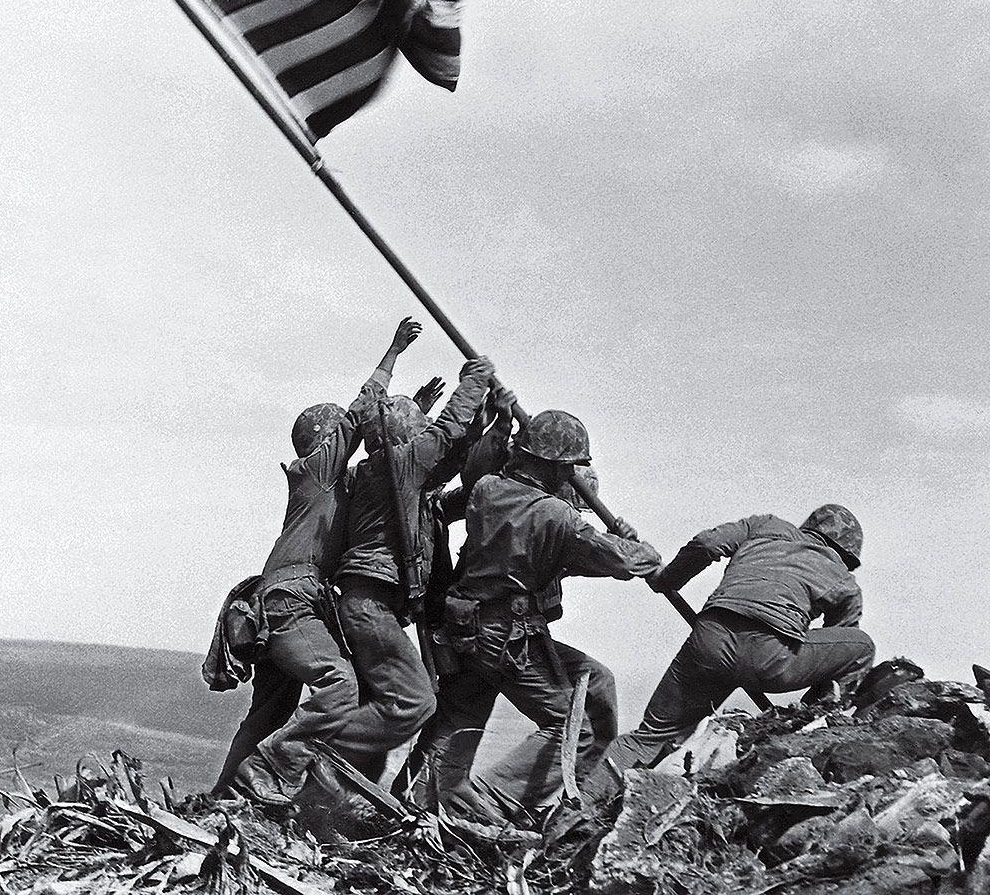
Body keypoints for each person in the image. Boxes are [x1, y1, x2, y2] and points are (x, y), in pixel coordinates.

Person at [214, 318, 434, 802]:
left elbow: (385, 471)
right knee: (339, 686)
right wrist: (393, 353)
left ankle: (223, 800)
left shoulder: (331, 485)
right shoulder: (315, 471)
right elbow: (360, 416)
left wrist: (409, 416)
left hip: (282, 606)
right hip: (290, 603)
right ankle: (274, 773)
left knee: (269, 713)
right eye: (339, 436)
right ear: (325, 439)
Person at [418, 411, 662, 819]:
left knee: (591, 683)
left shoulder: (488, 490)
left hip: (465, 629)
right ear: (552, 465)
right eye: (568, 467)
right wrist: (635, 544)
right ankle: (493, 803)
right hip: (507, 635)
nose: (571, 475)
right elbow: (624, 562)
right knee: (575, 728)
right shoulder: (556, 515)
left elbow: (548, 550)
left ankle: (422, 799)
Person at [582, 504, 875, 804]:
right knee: (862, 646)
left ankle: (581, 804)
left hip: (710, 641)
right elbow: (837, 647)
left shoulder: (765, 526)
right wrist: (813, 704)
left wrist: (667, 580)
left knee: (650, 735)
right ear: (847, 553)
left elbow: (706, 544)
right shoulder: (844, 579)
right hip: (771, 658)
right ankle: (812, 721)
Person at [323, 354, 498, 780]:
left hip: (370, 606)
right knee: (415, 702)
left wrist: (492, 423)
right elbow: (448, 431)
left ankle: (331, 792)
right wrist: (474, 380)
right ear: (406, 439)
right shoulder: (399, 465)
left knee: (380, 710)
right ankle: (310, 750)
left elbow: (451, 457)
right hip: (371, 606)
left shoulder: (383, 474)